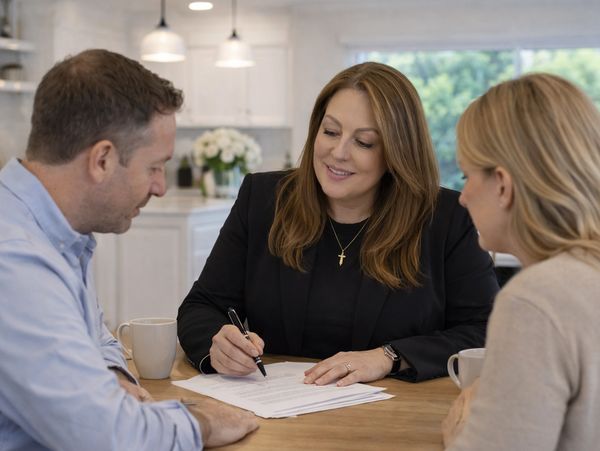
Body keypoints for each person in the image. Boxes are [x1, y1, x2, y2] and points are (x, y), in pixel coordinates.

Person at [178, 62, 499, 385]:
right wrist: (218, 345)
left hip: (396, 410)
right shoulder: (263, 199)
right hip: (276, 405)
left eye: (364, 142)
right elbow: (202, 306)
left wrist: (389, 357)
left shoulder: (446, 218)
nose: (338, 152)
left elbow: (486, 330)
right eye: (330, 132)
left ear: (397, 152)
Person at [0, 49, 257, 450]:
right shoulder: (16, 261)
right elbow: (109, 436)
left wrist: (113, 377)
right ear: (102, 160)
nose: (161, 187)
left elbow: (98, 337)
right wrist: (202, 423)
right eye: (154, 167)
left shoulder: (56, 232)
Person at [442, 73, 600, 450]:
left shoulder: (536, 298)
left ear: (502, 184)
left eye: (466, 175)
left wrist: (459, 431)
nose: (462, 197)